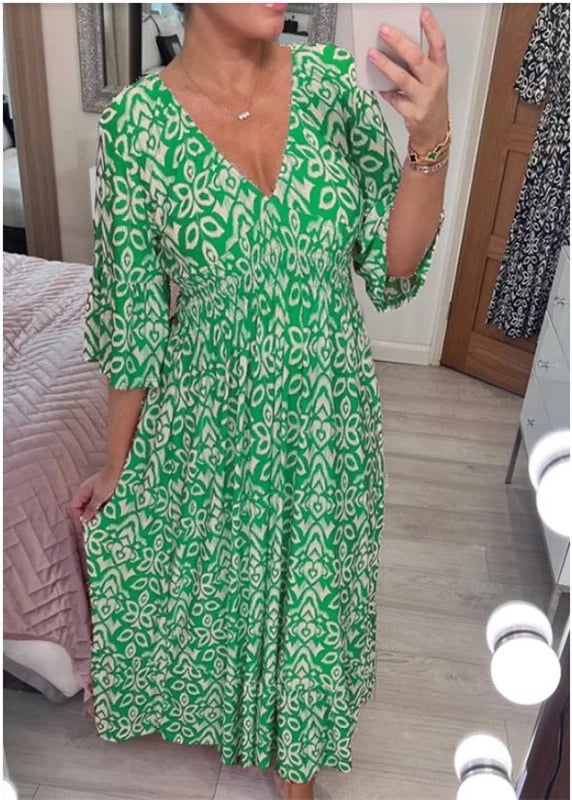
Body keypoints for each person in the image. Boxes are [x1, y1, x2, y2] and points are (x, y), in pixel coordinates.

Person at [71, 4, 449, 799]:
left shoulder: (330, 86)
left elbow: (392, 266)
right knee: (236, 580)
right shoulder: (136, 128)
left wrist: (428, 142)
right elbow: (132, 320)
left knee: (313, 584)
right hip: (214, 414)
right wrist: (115, 465)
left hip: (327, 412)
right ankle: (256, 729)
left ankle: (296, 760)